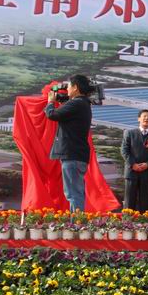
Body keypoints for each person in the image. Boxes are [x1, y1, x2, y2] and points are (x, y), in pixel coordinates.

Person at [44, 74, 94, 213]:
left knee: (73, 193)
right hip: (77, 154)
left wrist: (50, 102)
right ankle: (77, 221)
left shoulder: (77, 103)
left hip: (72, 155)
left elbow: (52, 115)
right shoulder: (82, 103)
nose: (67, 89)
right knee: (75, 192)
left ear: (76, 87)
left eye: (69, 86)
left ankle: (77, 223)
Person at [121, 109, 148, 212]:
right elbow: (124, 151)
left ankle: (144, 220)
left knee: (145, 201)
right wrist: (133, 164)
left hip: (146, 172)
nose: (146, 118)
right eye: (144, 116)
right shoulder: (129, 133)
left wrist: (147, 164)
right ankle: (128, 220)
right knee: (129, 200)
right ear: (139, 118)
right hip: (131, 172)